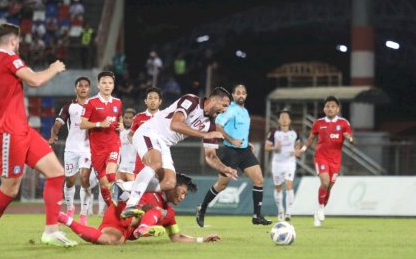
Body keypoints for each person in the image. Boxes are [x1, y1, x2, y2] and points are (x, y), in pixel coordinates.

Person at [0, 23, 77, 254]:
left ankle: (51, 230)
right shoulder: (8, 58)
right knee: (10, 189)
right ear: (13, 41)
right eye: (18, 42)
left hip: (18, 131)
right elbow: (35, 81)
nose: (18, 45)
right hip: (11, 132)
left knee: (56, 173)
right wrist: (54, 68)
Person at [120, 87, 238, 220]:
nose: (225, 110)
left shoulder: (210, 125)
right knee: (156, 163)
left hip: (164, 144)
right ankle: (130, 204)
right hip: (149, 132)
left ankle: (122, 187)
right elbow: (175, 124)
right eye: (224, 105)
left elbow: (210, 155)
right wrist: (205, 134)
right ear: (213, 100)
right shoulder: (191, 101)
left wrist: (224, 168)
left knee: (169, 183)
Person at [59, 173, 220, 245]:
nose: (183, 197)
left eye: (185, 195)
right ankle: (142, 228)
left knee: (113, 242)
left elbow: (176, 237)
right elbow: (118, 187)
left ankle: (64, 219)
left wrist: (201, 239)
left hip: (126, 230)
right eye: (182, 192)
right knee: (157, 211)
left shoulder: (170, 213)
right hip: (120, 216)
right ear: (172, 186)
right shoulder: (150, 187)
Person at [196, 84, 272, 226]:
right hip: (230, 150)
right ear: (233, 95)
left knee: (259, 180)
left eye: (243, 92)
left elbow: (240, 131)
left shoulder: (245, 111)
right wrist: (232, 140)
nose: (241, 95)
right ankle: (202, 208)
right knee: (222, 185)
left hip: (244, 151)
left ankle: (257, 216)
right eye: (238, 93)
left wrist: (246, 143)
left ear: (246, 95)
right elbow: (218, 126)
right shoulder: (229, 110)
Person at [48, 76, 97, 226]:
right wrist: (53, 136)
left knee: (84, 179)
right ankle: (70, 208)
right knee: (69, 181)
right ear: (76, 88)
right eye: (80, 86)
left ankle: (83, 215)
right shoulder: (69, 106)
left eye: (86, 86)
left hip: (87, 149)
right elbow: (58, 123)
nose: (83, 88)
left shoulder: (95, 105)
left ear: (89, 89)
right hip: (71, 148)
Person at [304, 95, 354, 227]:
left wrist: (349, 139)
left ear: (338, 109)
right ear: (324, 109)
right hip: (321, 157)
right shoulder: (318, 123)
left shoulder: (344, 123)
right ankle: (320, 208)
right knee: (324, 182)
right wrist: (303, 149)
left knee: (329, 188)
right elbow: (311, 138)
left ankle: (319, 211)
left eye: (333, 106)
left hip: (335, 161)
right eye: (327, 106)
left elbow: (349, 136)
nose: (330, 108)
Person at [79, 71, 123, 207]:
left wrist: (121, 124)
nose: (107, 86)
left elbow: (119, 118)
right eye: (104, 83)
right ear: (98, 85)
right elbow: (82, 124)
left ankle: (129, 203)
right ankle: (113, 211)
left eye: (110, 83)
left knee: (111, 176)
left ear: (113, 85)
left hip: (113, 145)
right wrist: (99, 124)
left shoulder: (118, 102)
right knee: (104, 185)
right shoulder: (91, 103)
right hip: (97, 150)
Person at [264, 110, 304, 222]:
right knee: (278, 188)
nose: (284, 119)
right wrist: (274, 148)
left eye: (286, 117)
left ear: (290, 120)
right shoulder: (273, 133)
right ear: (279, 120)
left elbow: (298, 146)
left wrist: (297, 151)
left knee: (289, 185)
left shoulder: (295, 133)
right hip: (277, 164)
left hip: (290, 163)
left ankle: (289, 212)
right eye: (282, 117)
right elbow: (267, 147)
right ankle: (280, 209)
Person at [118, 87, 163, 181]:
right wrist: (138, 145)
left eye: (155, 98)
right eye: (150, 98)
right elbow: (130, 135)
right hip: (141, 159)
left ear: (160, 101)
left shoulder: (165, 118)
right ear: (145, 101)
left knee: (158, 189)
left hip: (160, 158)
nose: (153, 101)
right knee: (139, 188)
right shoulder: (139, 117)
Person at [117, 108, 137, 181]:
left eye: (130, 118)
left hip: (134, 168)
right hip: (121, 168)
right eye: (126, 118)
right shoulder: (119, 133)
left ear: (134, 119)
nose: (128, 120)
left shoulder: (138, 133)